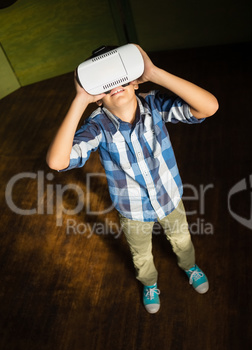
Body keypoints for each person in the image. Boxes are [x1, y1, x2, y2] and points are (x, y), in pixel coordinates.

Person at [46, 44, 219, 314]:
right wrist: (80, 99)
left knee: (182, 239)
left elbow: (209, 107)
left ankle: (190, 266)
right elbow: (57, 162)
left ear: (135, 81)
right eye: (105, 82)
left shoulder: (154, 105)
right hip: (133, 211)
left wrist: (155, 73)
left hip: (169, 198)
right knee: (141, 254)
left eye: (120, 76)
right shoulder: (97, 126)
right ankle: (149, 283)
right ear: (97, 95)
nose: (115, 84)